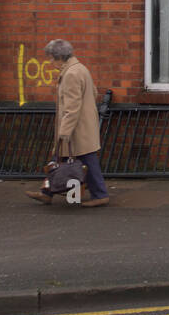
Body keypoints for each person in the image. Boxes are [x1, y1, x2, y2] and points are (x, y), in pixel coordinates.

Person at [26, 39, 110, 207]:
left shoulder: (71, 74)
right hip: (83, 126)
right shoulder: (81, 68)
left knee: (84, 162)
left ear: (59, 57)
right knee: (60, 160)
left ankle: (100, 195)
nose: (50, 62)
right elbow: (93, 93)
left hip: (76, 129)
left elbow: (72, 108)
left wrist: (64, 133)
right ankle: (47, 192)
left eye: (51, 58)